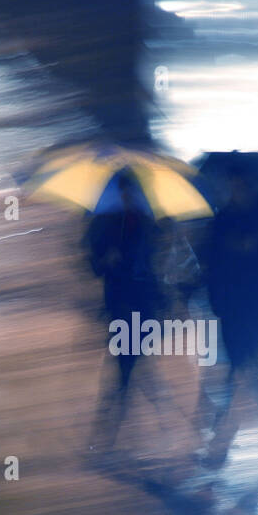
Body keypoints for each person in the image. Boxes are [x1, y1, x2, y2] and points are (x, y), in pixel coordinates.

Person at [197, 170, 258, 466]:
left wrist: (255, 253)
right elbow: (211, 261)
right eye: (234, 184)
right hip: (231, 306)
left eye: (243, 184)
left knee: (243, 368)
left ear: (255, 186)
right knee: (247, 367)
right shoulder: (223, 219)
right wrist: (214, 297)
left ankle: (220, 445)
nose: (238, 189)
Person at [82, 173, 172, 454]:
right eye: (123, 192)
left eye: (131, 191)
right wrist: (105, 260)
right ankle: (116, 432)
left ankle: (110, 435)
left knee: (131, 366)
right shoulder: (105, 225)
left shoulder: (149, 224)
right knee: (128, 366)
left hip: (143, 304)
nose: (127, 197)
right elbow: (94, 265)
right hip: (121, 304)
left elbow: (157, 264)